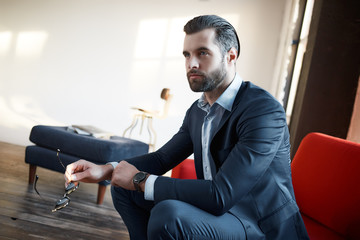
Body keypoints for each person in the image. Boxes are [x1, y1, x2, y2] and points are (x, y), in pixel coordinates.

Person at [65, 15, 309, 240]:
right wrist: (107, 170)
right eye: (186, 54)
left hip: (259, 224)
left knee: (169, 215)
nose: (191, 63)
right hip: (221, 214)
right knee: (124, 190)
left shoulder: (263, 110)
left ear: (230, 56)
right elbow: (162, 158)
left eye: (202, 53)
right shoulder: (198, 110)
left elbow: (220, 194)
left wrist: (139, 179)